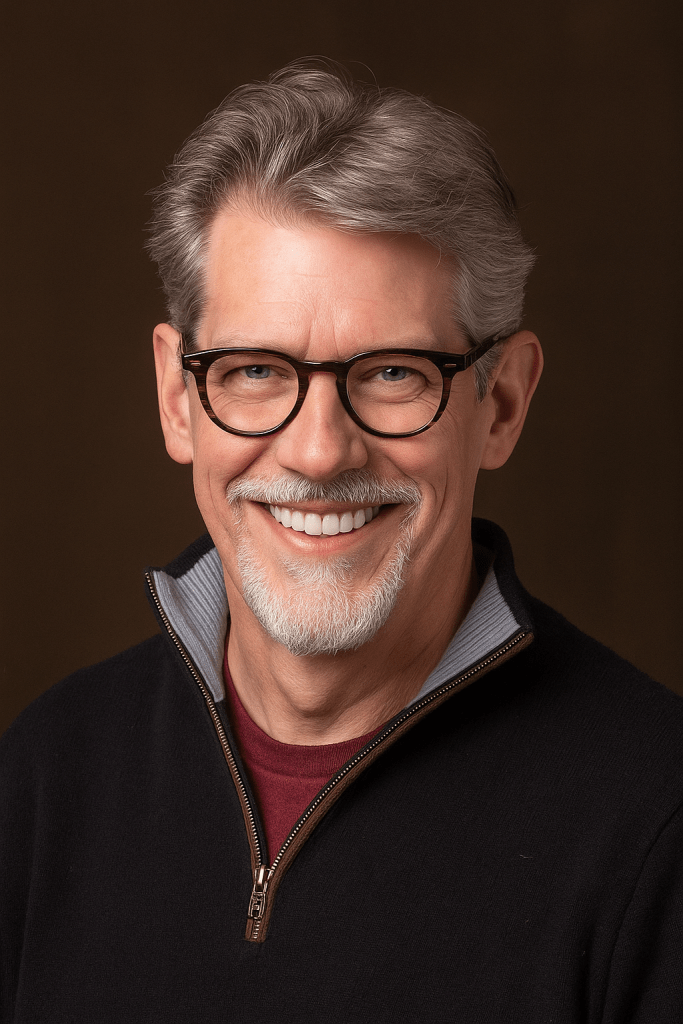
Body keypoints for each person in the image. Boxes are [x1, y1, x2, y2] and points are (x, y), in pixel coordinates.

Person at [1, 62, 682, 1023]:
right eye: (252, 370)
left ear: (502, 404)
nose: (319, 453)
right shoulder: (44, 782)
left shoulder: (656, 825)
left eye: (394, 373)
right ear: (175, 398)